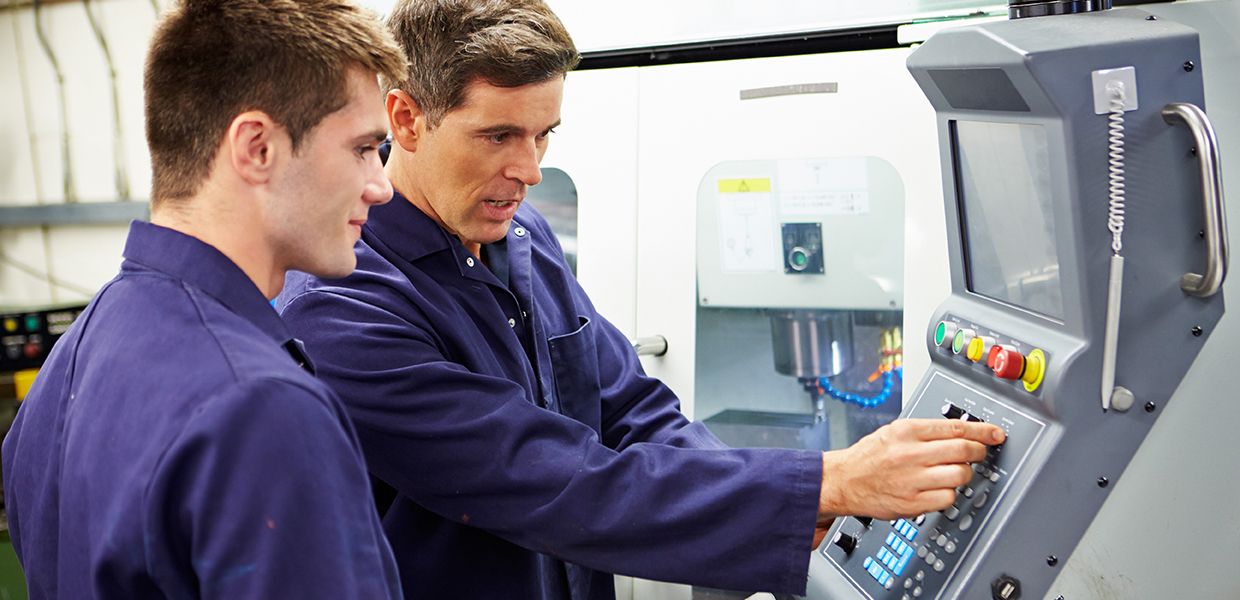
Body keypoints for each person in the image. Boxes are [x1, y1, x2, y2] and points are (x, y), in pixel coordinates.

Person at [275, 0, 1006, 597]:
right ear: (405, 119)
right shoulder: (345, 304)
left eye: (543, 135)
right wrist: (826, 481)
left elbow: (629, 406)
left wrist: (786, 509)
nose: (528, 170)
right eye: (498, 135)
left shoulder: (517, 233)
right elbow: (550, 480)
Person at [1, 1, 408, 598]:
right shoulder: (260, 407)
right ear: (257, 148)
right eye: (363, 149)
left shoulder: (76, 352)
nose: (381, 184)